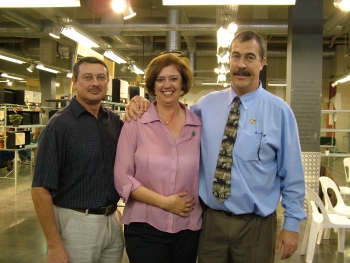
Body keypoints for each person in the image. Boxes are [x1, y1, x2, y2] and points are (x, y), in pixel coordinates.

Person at [126, 31, 306, 262]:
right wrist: (141, 102)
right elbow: (170, 113)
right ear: (229, 59)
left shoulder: (279, 112)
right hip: (211, 223)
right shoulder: (205, 106)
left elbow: (292, 174)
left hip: (256, 226)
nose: (241, 65)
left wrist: (292, 225)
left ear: (263, 62)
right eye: (236, 56)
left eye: (250, 57)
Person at [31, 56, 124, 263]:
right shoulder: (59, 126)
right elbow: (40, 190)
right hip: (76, 222)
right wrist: (54, 245)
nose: (95, 83)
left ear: (107, 81)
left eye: (101, 77)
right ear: (75, 81)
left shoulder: (114, 121)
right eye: (88, 77)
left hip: (112, 220)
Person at [114, 53, 202, 263]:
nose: (167, 85)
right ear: (153, 85)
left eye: (173, 78)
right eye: (160, 79)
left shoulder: (198, 125)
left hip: (188, 227)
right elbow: (122, 177)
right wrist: (165, 203)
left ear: (183, 83)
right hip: (145, 227)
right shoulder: (135, 122)